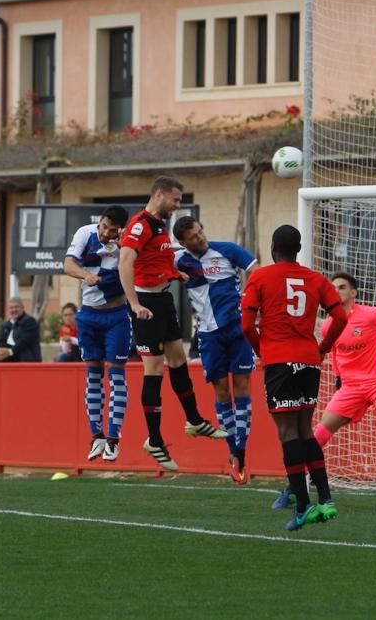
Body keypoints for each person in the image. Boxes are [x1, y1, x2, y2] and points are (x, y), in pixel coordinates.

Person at [273, 271, 376, 508]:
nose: (336, 291)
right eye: (332, 287)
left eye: (341, 287)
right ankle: (293, 486)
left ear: (353, 292)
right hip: (351, 386)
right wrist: (340, 377)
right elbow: (335, 351)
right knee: (319, 432)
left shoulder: (371, 314)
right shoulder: (328, 325)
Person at [241, 225, 348, 530]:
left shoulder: (260, 277)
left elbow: (247, 325)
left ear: (273, 246)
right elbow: (341, 317)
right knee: (305, 429)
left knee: (287, 432)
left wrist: (264, 350)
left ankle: (302, 506)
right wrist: (323, 348)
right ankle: (325, 498)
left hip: (279, 360)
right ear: (298, 249)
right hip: (309, 361)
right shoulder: (315, 278)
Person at [119, 176, 227, 471]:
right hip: (147, 306)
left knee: (178, 359)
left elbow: (153, 259)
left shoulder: (158, 225)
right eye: (175, 199)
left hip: (163, 300)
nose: (178, 204)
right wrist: (135, 304)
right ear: (159, 196)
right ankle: (154, 439)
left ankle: (194, 420)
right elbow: (125, 261)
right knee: (153, 369)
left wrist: (171, 273)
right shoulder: (140, 224)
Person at [173, 215, 258, 484]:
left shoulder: (228, 250)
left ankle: (241, 450)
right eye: (193, 237)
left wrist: (252, 304)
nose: (200, 237)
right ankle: (232, 450)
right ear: (183, 243)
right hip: (209, 336)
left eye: (200, 231)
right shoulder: (179, 260)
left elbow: (257, 272)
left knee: (242, 387)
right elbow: (145, 261)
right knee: (221, 391)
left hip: (237, 330)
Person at [64, 205, 131, 461]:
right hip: (88, 315)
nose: (106, 233)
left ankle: (114, 438)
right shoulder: (86, 233)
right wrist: (85, 275)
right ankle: (97, 436)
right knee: (93, 375)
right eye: (104, 227)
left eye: (112, 231)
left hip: (116, 315)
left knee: (116, 375)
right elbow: (68, 264)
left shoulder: (127, 244)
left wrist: (125, 246)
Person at [0, 297, 42, 362]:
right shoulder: (6, 325)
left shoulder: (30, 322)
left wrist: (9, 352)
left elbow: (23, 342)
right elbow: (0, 341)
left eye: (16, 307)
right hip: (10, 362)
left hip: (28, 362)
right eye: (11, 307)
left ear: (22, 307)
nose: (14, 310)